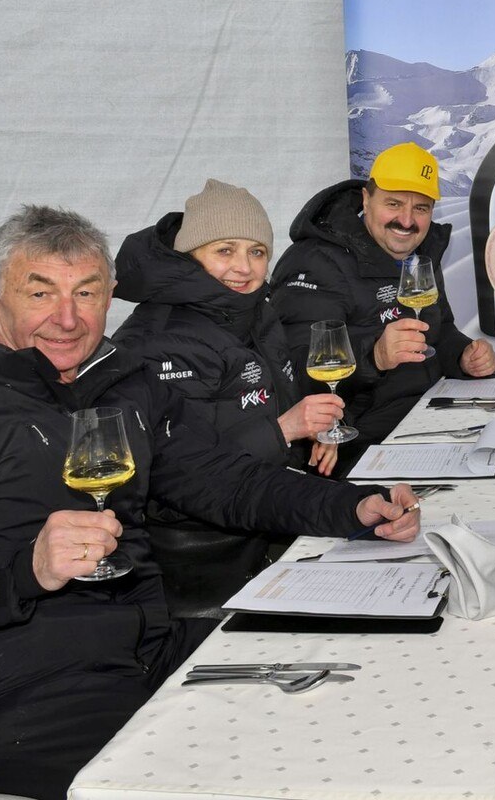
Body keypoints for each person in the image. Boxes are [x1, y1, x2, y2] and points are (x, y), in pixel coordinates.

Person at [0, 205, 420, 800]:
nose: (67, 319)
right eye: (40, 293)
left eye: (86, 293)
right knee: (253, 769)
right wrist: (24, 571)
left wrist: (349, 508)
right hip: (0, 702)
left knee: (357, 669)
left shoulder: (124, 383)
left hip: (145, 652)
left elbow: (222, 479)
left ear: (110, 297)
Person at [113, 179, 349, 616]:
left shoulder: (252, 310)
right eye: (224, 250)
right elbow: (175, 473)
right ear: (190, 254)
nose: (244, 267)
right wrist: (284, 431)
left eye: (256, 251)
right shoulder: (162, 338)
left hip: (267, 514)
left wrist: (313, 431)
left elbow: (266, 399)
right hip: (203, 556)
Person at [271, 142, 495, 466]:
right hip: (359, 445)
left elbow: (439, 329)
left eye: (421, 208)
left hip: (427, 417)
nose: (406, 221)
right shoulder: (316, 262)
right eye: (394, 204)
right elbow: (292, 370)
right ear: (366, 199)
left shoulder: (422, 255)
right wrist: (373, 355)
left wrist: (463, 355)